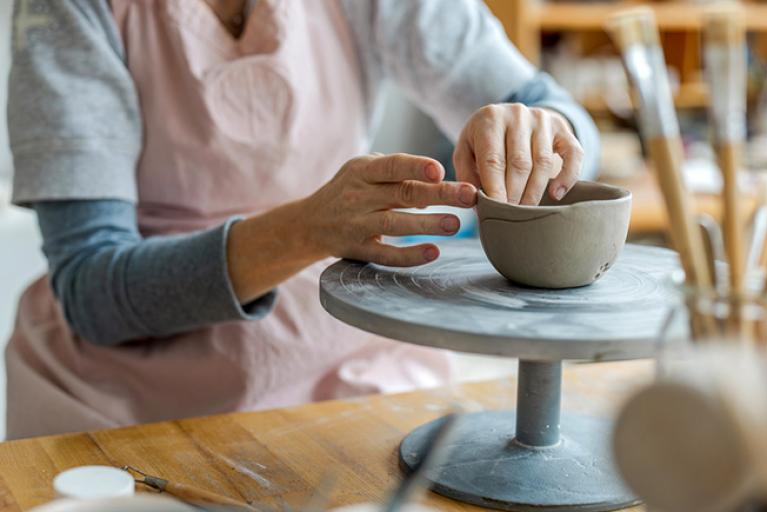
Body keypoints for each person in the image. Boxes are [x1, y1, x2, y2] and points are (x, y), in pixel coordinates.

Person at [5, 0, 599, 439]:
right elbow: (92, 292)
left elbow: (565, 122)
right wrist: (306, 229)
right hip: (125, 399)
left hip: (344, 361)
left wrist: (543, 130)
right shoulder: (72, 9)